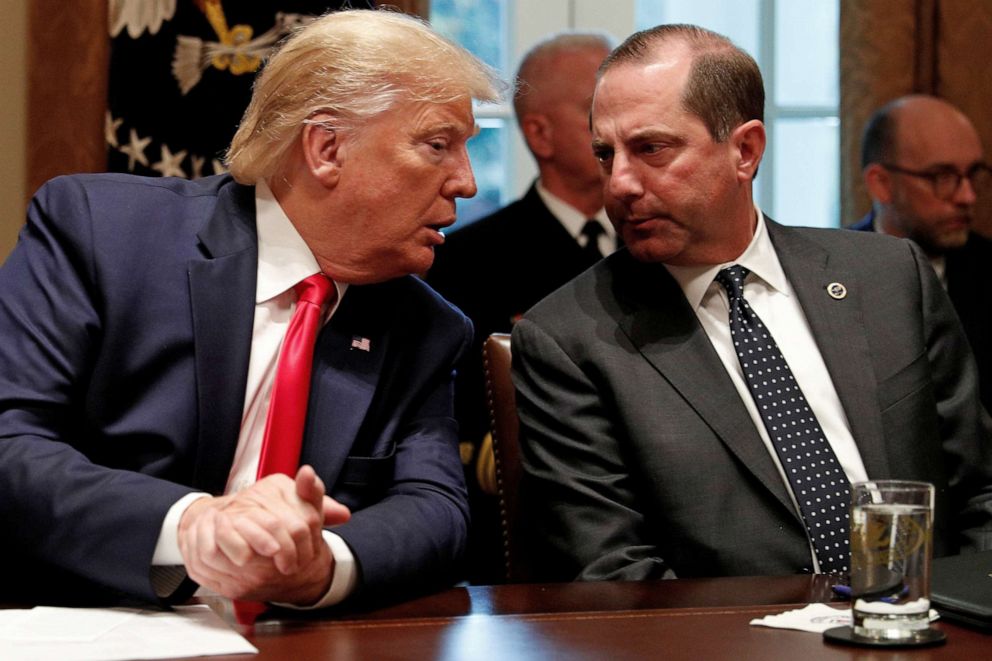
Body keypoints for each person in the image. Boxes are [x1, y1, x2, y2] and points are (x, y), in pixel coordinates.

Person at [0, 9, 501, 609]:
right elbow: (11, 440)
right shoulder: (101, 233)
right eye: (438, 145)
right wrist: (189, 526)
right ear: (327, 148)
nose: (467, 183)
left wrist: (322, 567)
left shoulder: (426, 327)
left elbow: (436, 510)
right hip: (86, 621)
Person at [511, 24, 992, 582]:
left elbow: (982, 491)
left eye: (651, 149)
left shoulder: (888, 276)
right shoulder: (570, 337)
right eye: (604, 153)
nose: (618, 184)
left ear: (745, 150)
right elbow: (614, 573)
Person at [426, 32, 613, 582]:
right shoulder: (466, 262)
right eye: (595, 109)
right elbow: (462, 427)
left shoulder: (659, 246)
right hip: (524, 536)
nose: (614, 128)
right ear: (539, 133)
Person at [853, 95, 992, 413]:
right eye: (942, 177)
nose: (967, 196)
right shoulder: (822, 272)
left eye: (973, 174)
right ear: (881, 184)